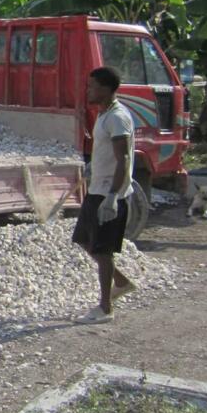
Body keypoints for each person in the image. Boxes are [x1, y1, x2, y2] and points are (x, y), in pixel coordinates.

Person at [72, 66, 138, 324]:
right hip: (97, 188)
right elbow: (108, 153)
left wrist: (113, 197)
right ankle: (120, 282)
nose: (88, 90)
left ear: (107, 89)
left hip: (109, 193)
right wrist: (93, 168)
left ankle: (105, 308)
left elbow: (123, 159)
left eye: (92, 86)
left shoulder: (117, 118)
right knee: (83, 239)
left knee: (103, 249)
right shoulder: (104, 114)